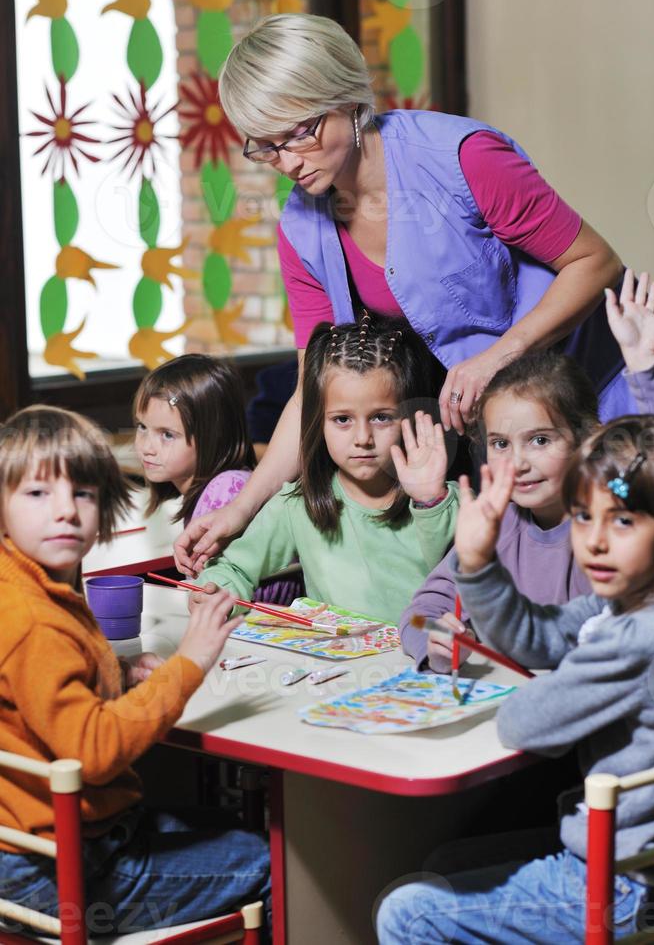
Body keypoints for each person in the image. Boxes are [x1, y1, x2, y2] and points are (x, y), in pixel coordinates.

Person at [175, 11, 625, 576]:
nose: (288, 161)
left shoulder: (464, 159)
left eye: (300, 132)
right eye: (266, 146)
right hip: (508, 425)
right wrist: (240, 510)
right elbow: (310, 392)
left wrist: (498, 356)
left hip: (601, 387)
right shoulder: (301, 226)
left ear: (346, 97)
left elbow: (595, 261)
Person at [376, 413, 654, 943]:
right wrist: (477, 560)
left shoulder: (635, 637)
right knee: (444, 862)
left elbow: (523, 723)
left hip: (625, 886)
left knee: (406, 913)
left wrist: (566, 677)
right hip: (630, 862)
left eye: (622, 521)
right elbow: (534, 637)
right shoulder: (623, 607)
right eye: (583, 517)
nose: (596, 541)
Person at [0, 405, 270, 935]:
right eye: (38, 494)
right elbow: (95, 752)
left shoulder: (21, 586)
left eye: (83, 493)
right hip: (62, 870)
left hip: (39, 841)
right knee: (272, 860)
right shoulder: (34, 620)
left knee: (234, 826)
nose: (66, 512)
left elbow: (40, 690)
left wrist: (117, 676)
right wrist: (189, 660)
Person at [401, 268, 654, 672]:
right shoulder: (499, 520)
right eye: (500, 444)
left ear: (585, 440)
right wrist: (436, 638)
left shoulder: (613, 518)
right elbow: (420, 610)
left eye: (540, 440)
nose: (518, 463)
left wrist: (647, 370)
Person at [196, 316, 459, 625]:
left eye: (380, 417)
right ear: (317, 422)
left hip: (424, 665)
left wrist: (430, 502)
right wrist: (216, 593)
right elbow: (234, 569)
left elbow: (466, 583)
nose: (362, 439)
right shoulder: (296, 505)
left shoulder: (445, 502)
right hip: (333, 671)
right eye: (342, 420)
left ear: (410, 418)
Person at [134, 353, 256, 526]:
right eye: (142, 427)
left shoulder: (226, 489)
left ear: (213, 436)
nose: (147, 448)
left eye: (167, 434)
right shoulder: (208, 493)